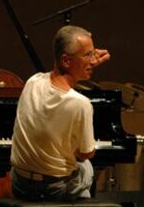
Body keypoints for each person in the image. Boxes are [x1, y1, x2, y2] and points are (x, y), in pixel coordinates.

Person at [11, 25, 110, 202]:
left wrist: (88, 62)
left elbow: (64, 79)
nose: (93, 61)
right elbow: (86, 153)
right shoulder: (81, 104)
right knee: (86, 167)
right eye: (88, 55)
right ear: (65, 61)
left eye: (93, 54)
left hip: (19, 183)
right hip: (52, 190)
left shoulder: (32, 81)